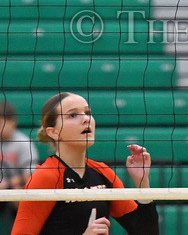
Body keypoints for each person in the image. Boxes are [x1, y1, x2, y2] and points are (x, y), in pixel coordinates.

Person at [11, 92, 159, 235]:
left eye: (87, 112)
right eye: (73, 115)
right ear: (53, 132)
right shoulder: (46, 177)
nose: (86, 119)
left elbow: (145, 232)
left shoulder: (102, 172)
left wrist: (142, 183)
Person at [0, 101, 39, 231]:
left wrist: (8, 183)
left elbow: (31, 174)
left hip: (15, 187)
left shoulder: (23, 143)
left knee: (21, 194)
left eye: (1, 123)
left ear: (12, 122)